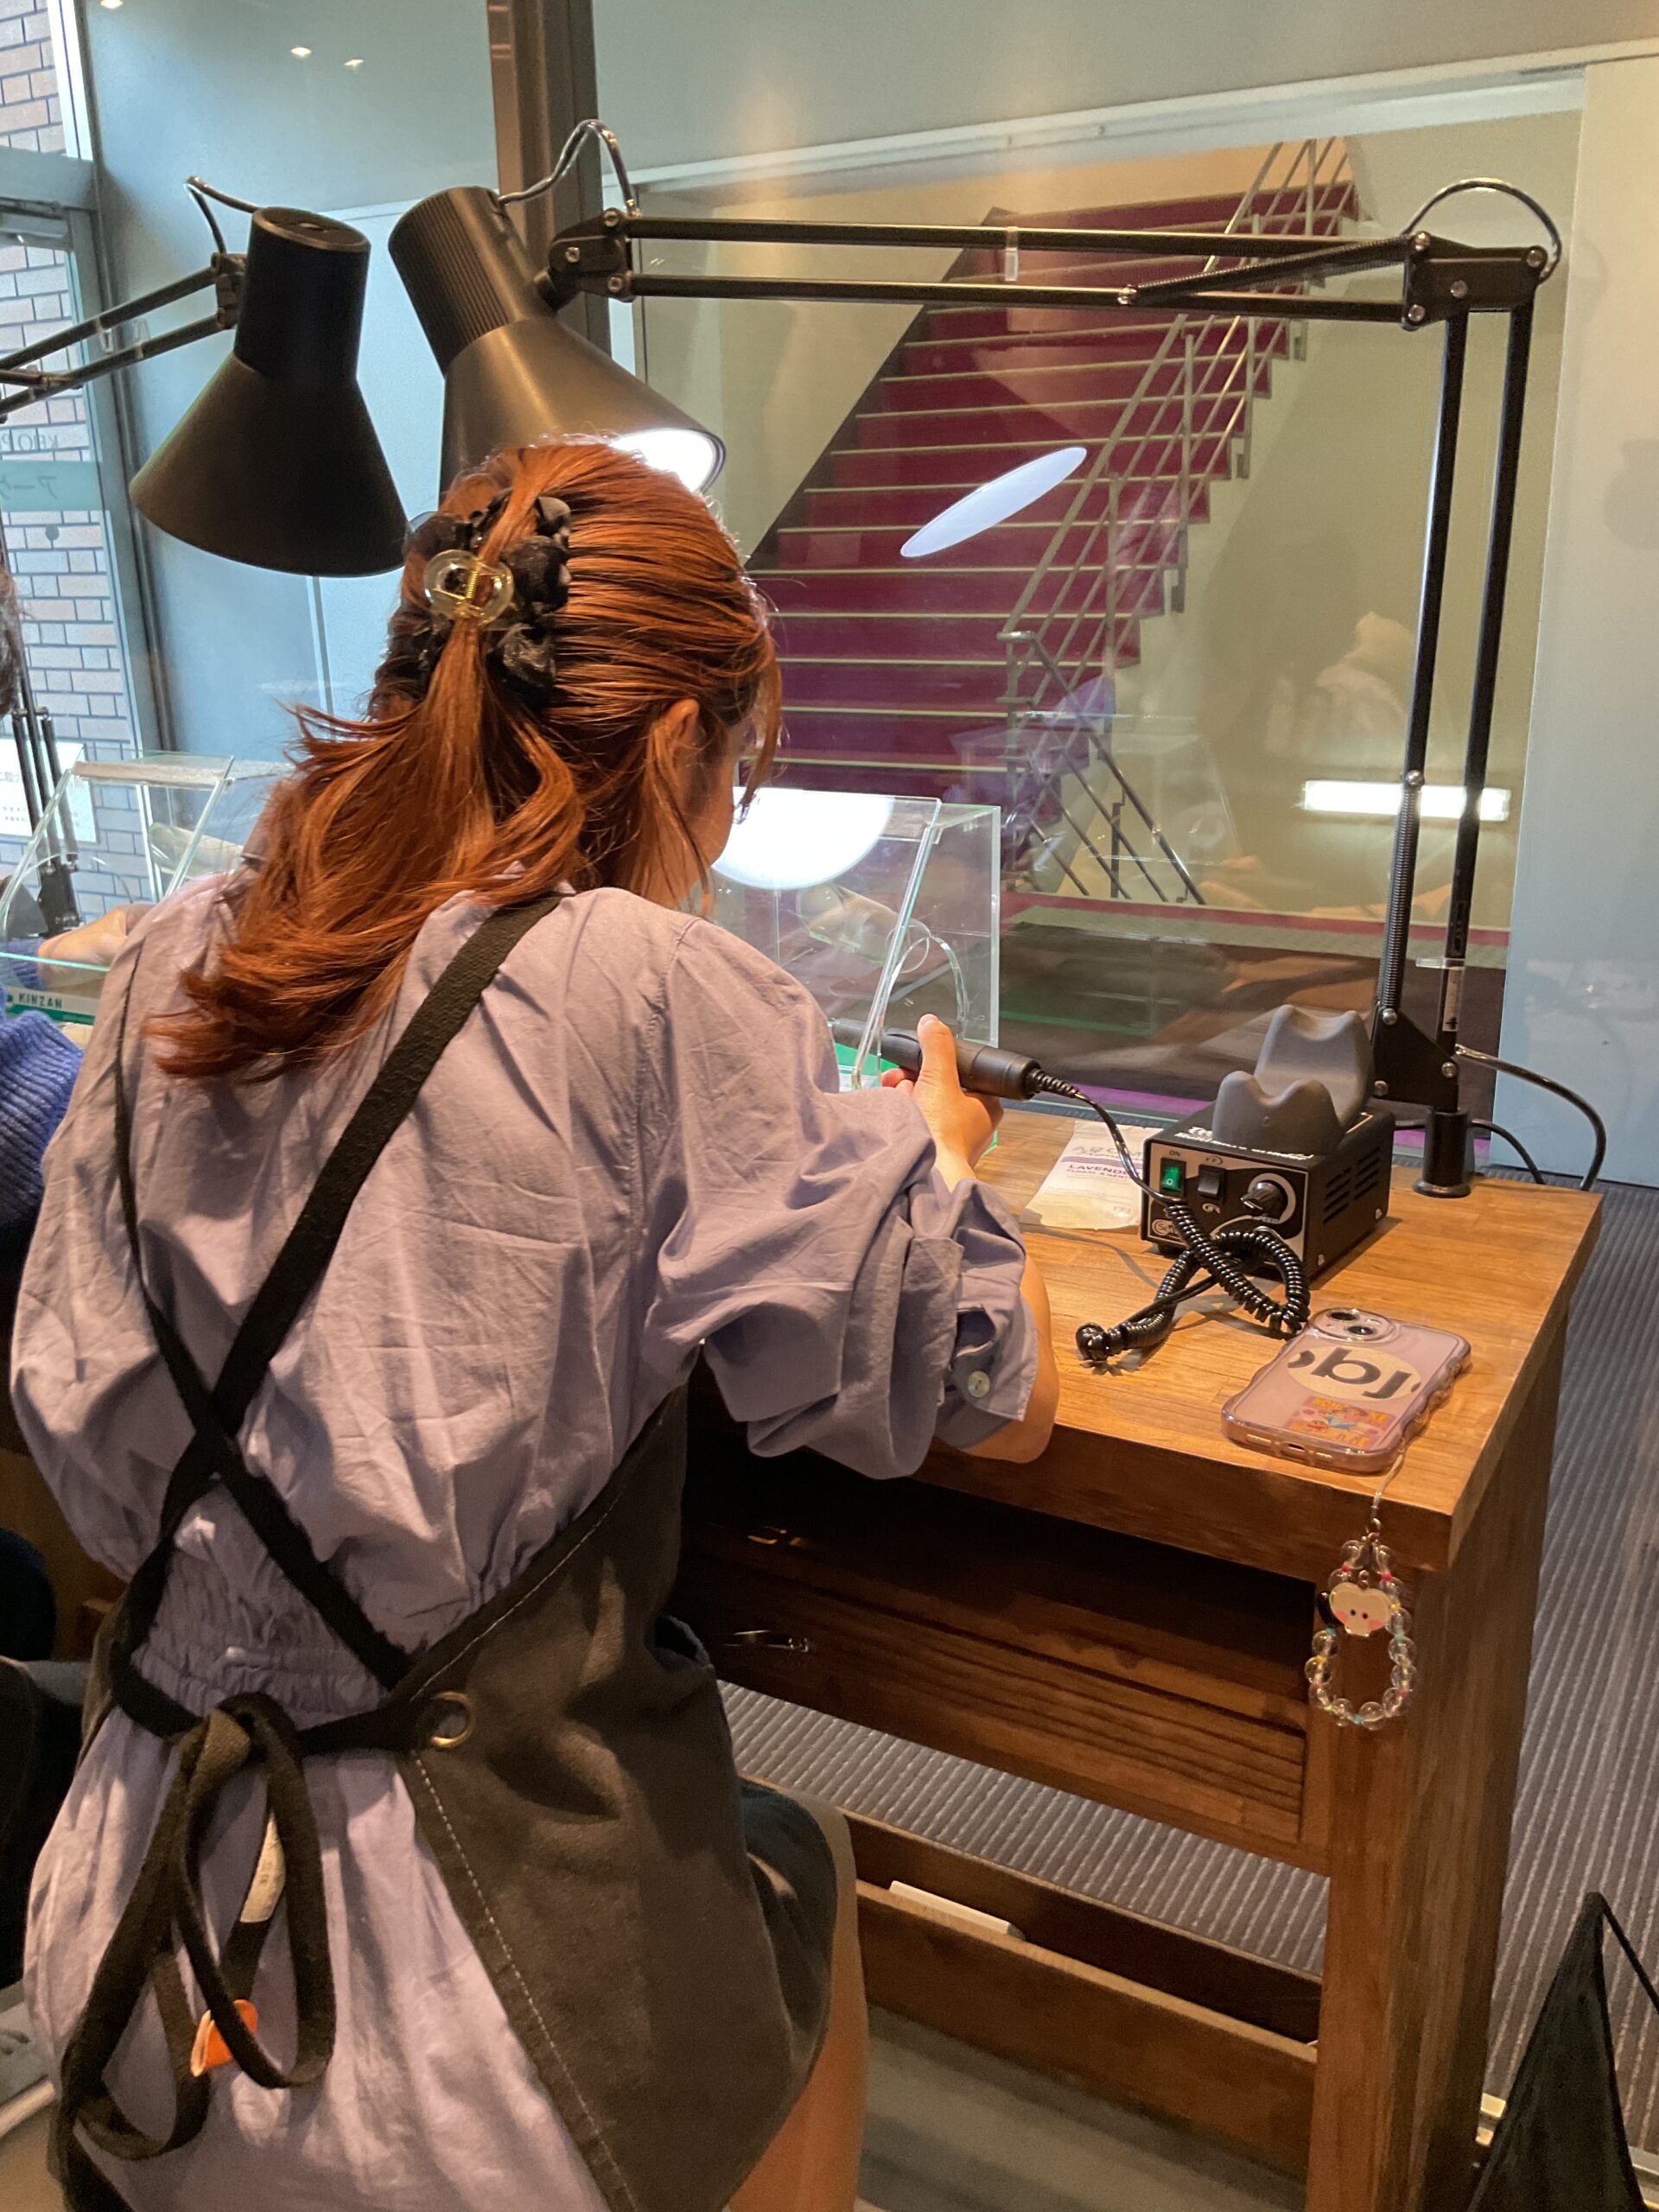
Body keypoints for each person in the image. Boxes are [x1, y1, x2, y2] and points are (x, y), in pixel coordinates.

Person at [10, 436, 1058, 2212]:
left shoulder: (170, 958)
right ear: (680, 740)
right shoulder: (651, 985)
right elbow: (996, 1390)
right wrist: (938, 1153)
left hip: (127, 1935)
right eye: (736, 775)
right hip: (456, 2042)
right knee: (798, 1860)